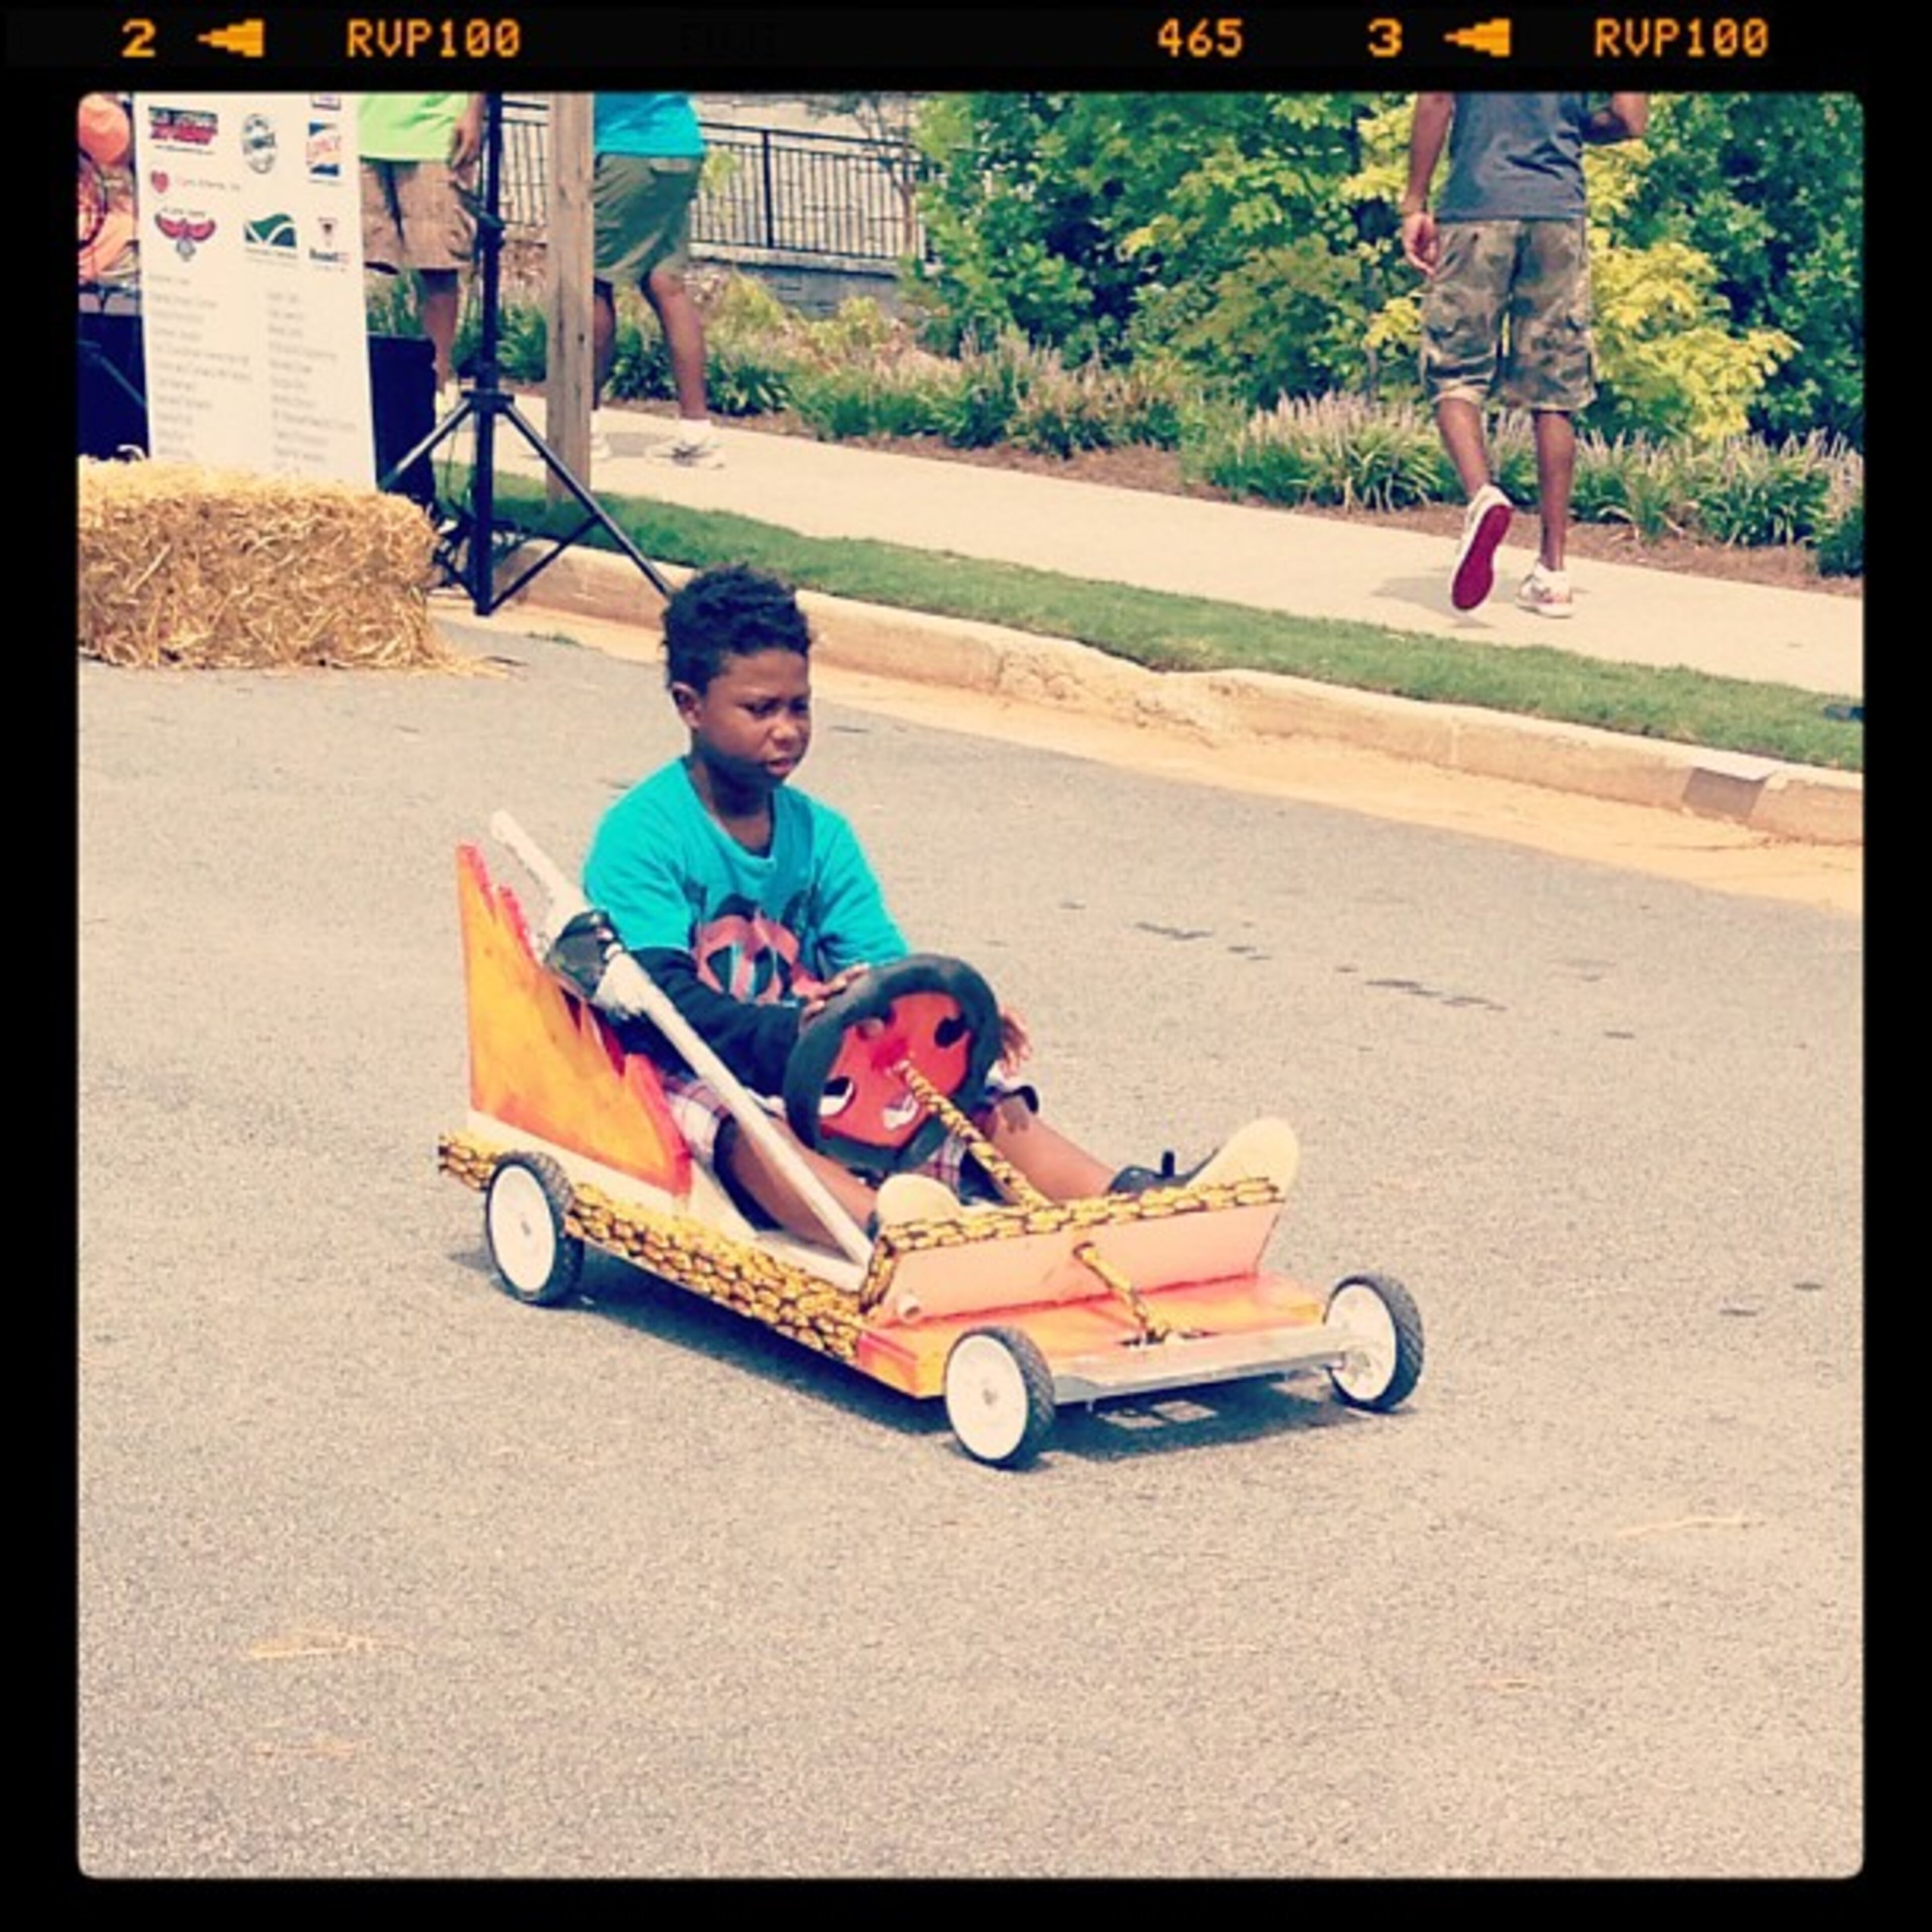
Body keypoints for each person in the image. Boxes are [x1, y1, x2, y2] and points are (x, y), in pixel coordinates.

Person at [574, 565, 1287, 1248]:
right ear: (690, 706)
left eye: (800, 706)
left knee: (975, 1085)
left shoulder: (821, 834)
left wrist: (944, 1020)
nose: (787, 729)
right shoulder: (646, 834)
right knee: (737, 1116)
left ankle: (1129, 1204)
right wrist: (786, 1035)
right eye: (760, 710)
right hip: (693, 1066)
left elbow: (881, 962)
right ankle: (891, 1230)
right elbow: (659, 1004)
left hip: (820, 1058)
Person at [1399, 92, 1649, 618]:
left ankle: (1483, 495)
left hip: (1478, 206)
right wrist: (1570, 127)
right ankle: (1553, 572)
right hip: (1558, 213)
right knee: (1554, 393)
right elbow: (1629, 118)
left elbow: (1437, 99)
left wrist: (1415, 203)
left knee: (1454, 371)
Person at [592, 93, 719, 467]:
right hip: (681, 147)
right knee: (667, 283)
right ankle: (698, 433)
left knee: (590, 279)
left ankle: (582, 428)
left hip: (627, 150)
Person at [357, 93, 484, 407]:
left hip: (433, 136)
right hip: (358, 131)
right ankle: (358, 381)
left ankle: (435, 385)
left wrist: (474, 113)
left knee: (438, 265)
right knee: (343, 264)